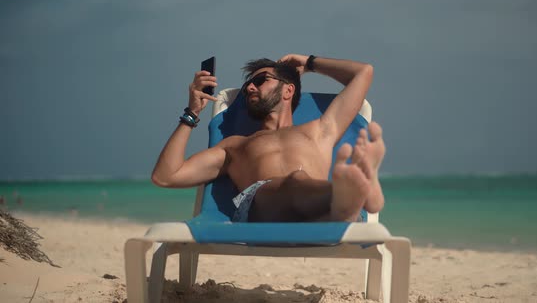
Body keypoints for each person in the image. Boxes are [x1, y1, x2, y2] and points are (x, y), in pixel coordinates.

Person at [152, 54, 386, 222]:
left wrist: (309, 63)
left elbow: (364, 72)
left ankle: (346, 204)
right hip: (262, 209)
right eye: (246, 87)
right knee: (296, 180)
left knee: (319, 200)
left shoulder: (320, 129)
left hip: (316, 214)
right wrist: (192, 113)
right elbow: (165, 176)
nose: (250, 88)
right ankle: (350, 193)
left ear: (288, 90)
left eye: (260, 80)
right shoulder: (235, 145)